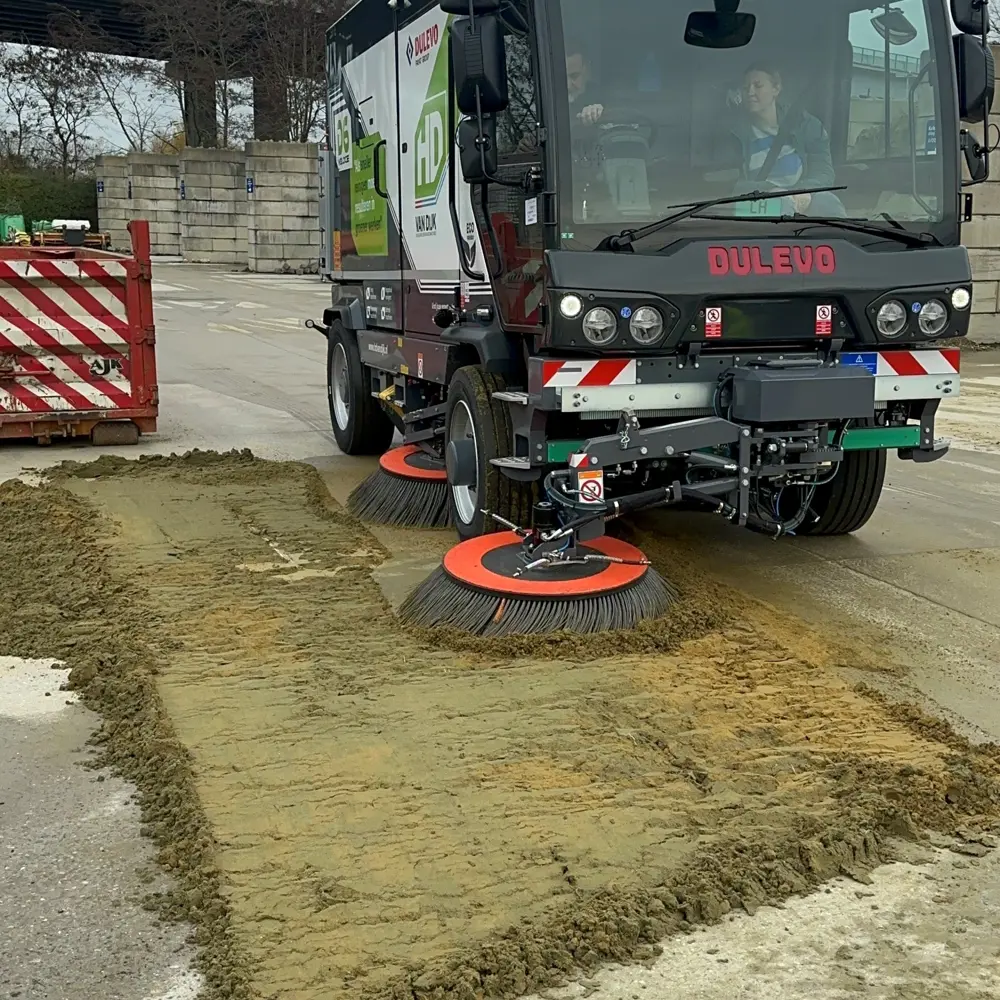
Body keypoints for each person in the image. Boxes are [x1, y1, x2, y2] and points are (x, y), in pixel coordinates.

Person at [730, 63, 843, 216]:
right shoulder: (732, 132)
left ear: (776, 89)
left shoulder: (807, 125)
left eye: (758, 86)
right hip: (747, 205)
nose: (750, 92)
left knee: (829, 203)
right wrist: (769, 191)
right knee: (780, 207)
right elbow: (727, 183)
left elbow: (823, 172)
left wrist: (804, 192)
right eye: (745, 87)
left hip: (802, 198)